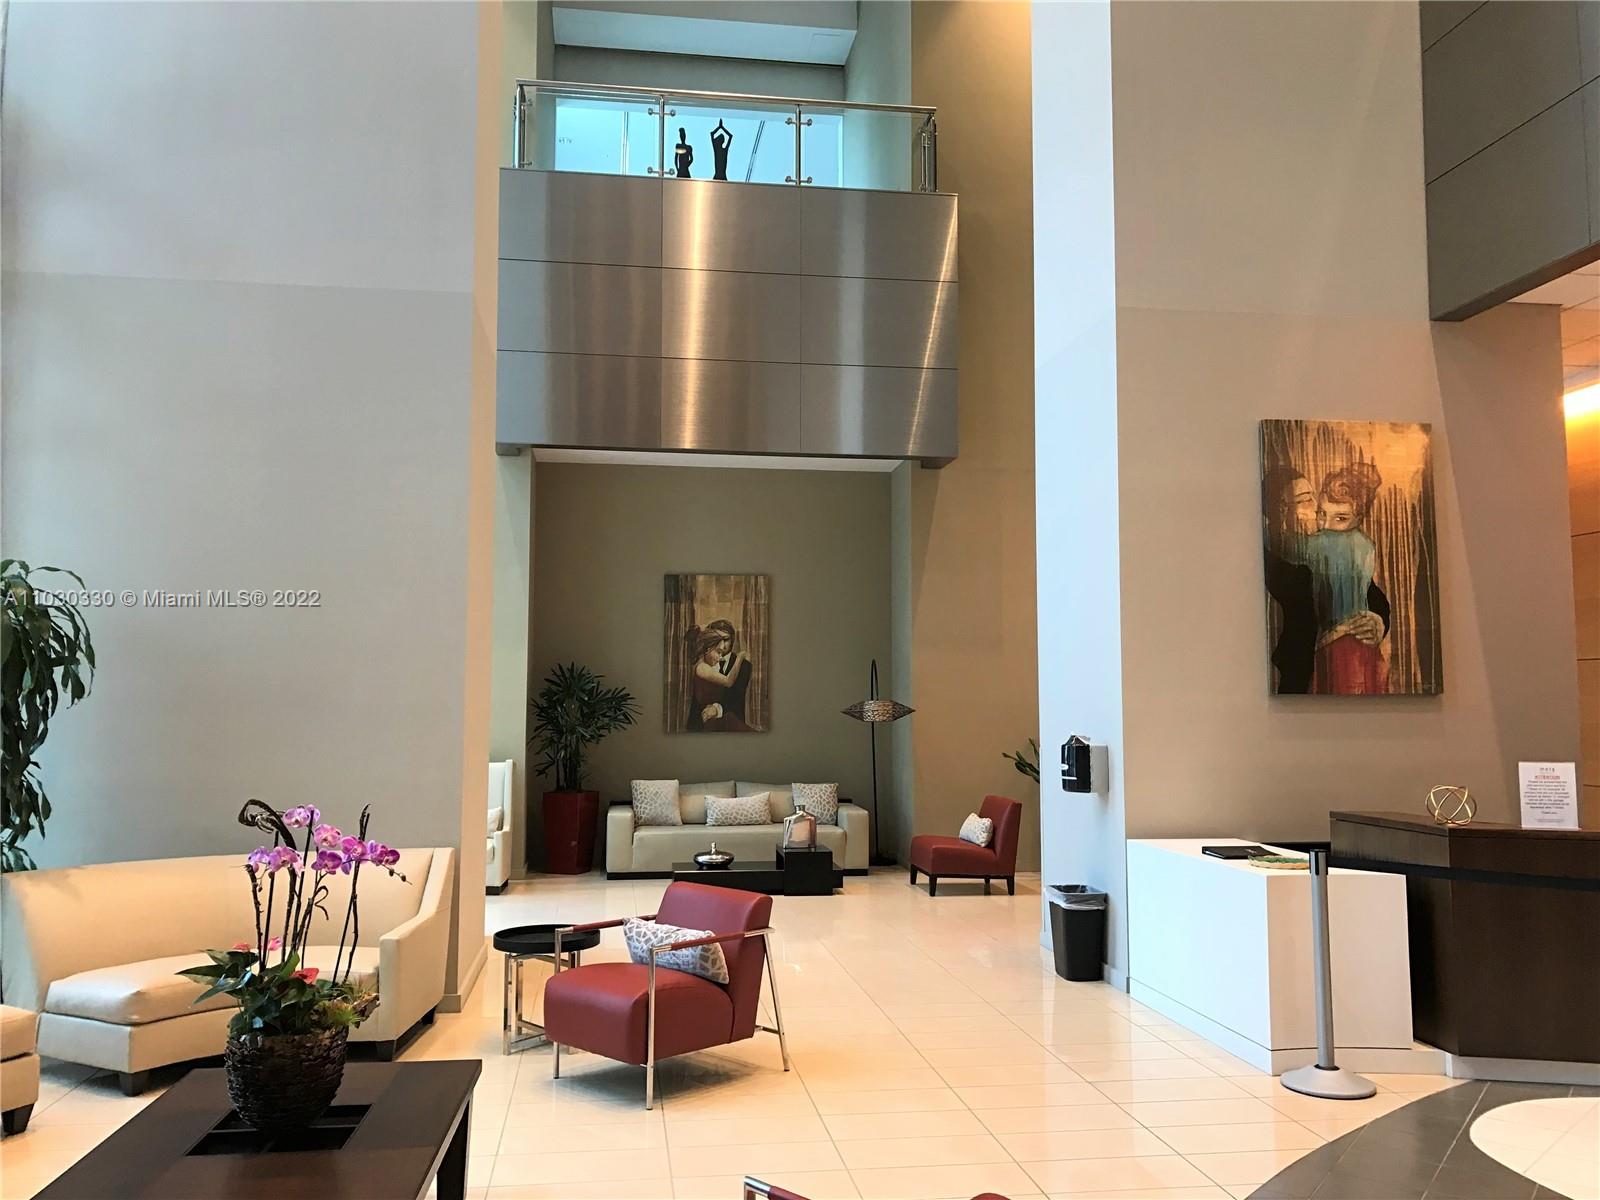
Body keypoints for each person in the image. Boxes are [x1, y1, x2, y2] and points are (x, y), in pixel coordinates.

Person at [1262, 463, 1390, 693]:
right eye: (1304, 500)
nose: (1314, 508)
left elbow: (1374, 597)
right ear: (1279, 511)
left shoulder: (1339, 547)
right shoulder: (1271, 559)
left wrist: (1377, 622)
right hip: (1295, 680)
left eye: (1313, 497)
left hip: (1344, 660)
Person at [1302, 462, 1389, 694]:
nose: (1326, 525)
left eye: (1340, 518)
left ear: (1359, 517)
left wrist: (1377, 621)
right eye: (1321, 514)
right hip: (1333, 648)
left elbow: (1372, 595)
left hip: (1347, 650)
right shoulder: (1359, 545)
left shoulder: (1347, 546)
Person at [686, 625, 750, 731]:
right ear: (708, 648)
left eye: (726, 639)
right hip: (706, 722)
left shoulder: (745, 666)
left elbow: (735, 697)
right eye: (718, 652)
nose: (720, 657)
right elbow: (728, 682)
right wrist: (739, 658)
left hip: (725, 719)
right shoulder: (702, 667)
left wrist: (717, 709)